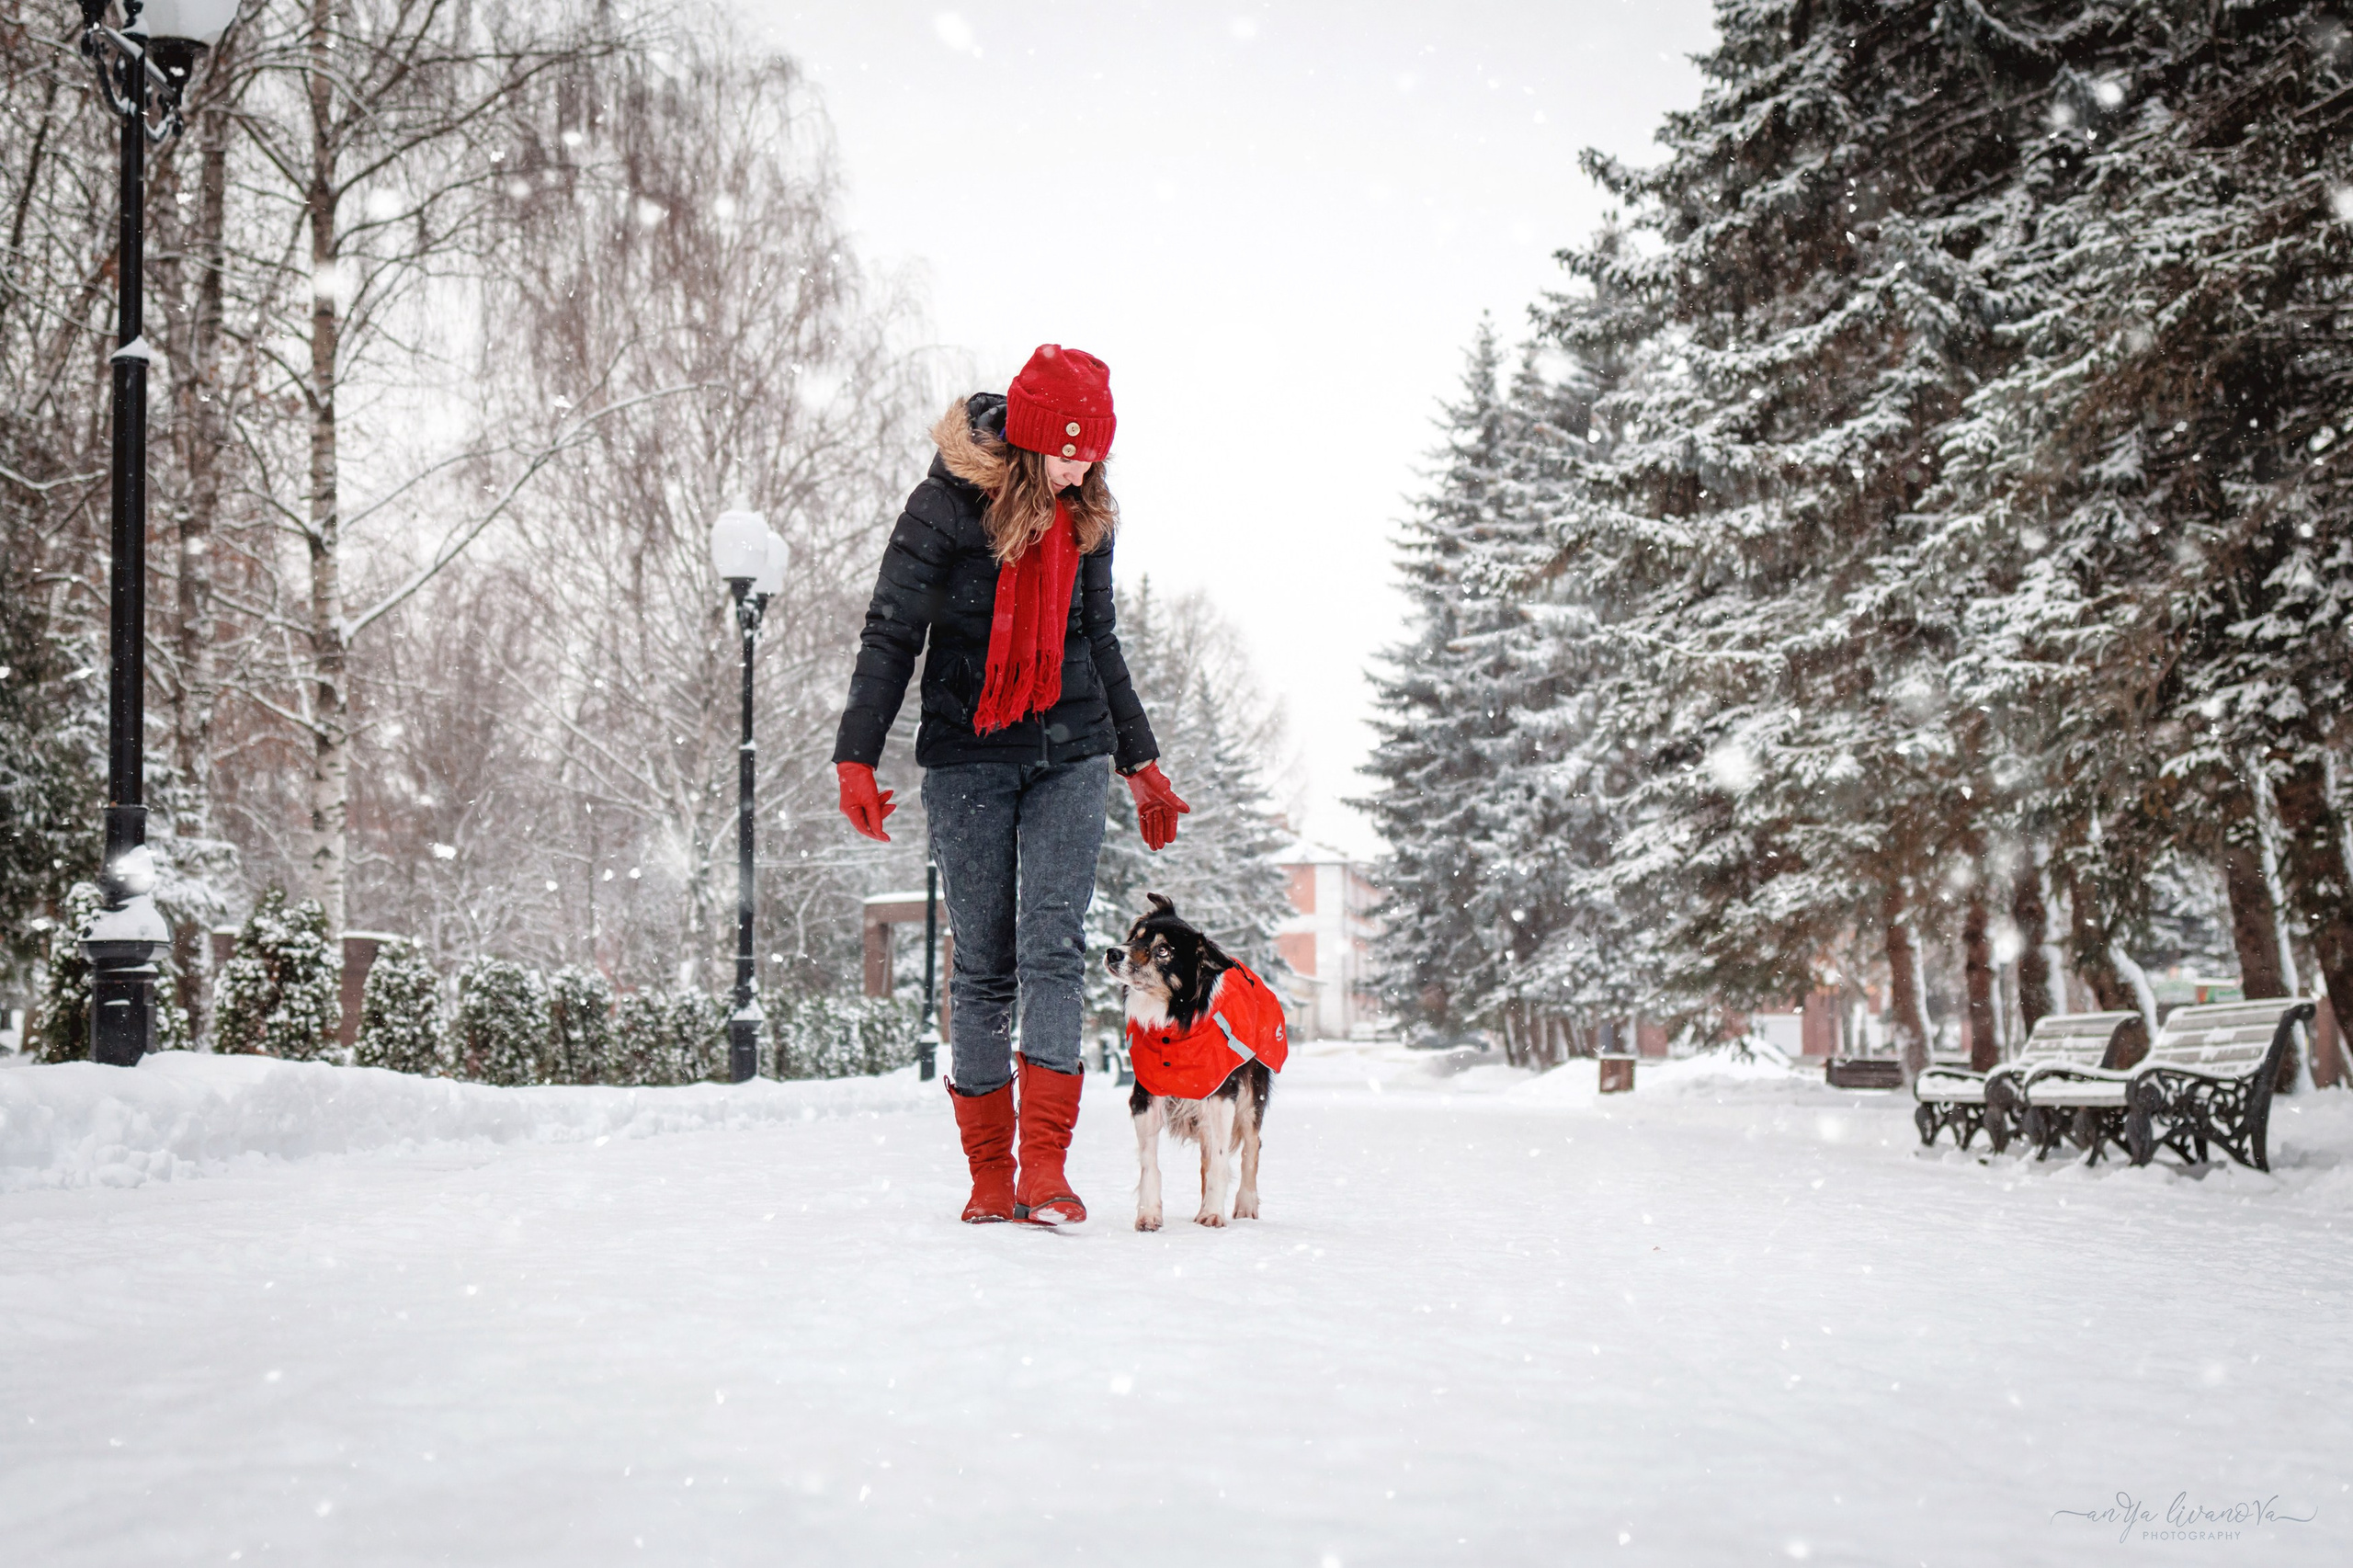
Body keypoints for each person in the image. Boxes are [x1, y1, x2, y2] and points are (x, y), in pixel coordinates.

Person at [832, 345, 1190, 1226]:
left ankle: (1045, 1168)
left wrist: (1138, 761)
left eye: (1093, 451)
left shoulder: (1091, 512)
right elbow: (890, 634)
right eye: (1068, 448)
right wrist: (857, 754)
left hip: (1070, 752)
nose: (1080, 465)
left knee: (1053, 950)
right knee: (986, 963)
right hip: (968, 750)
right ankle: (990, 1172)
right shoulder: (945, 506)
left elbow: (1100, 641)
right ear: (1030, 439)